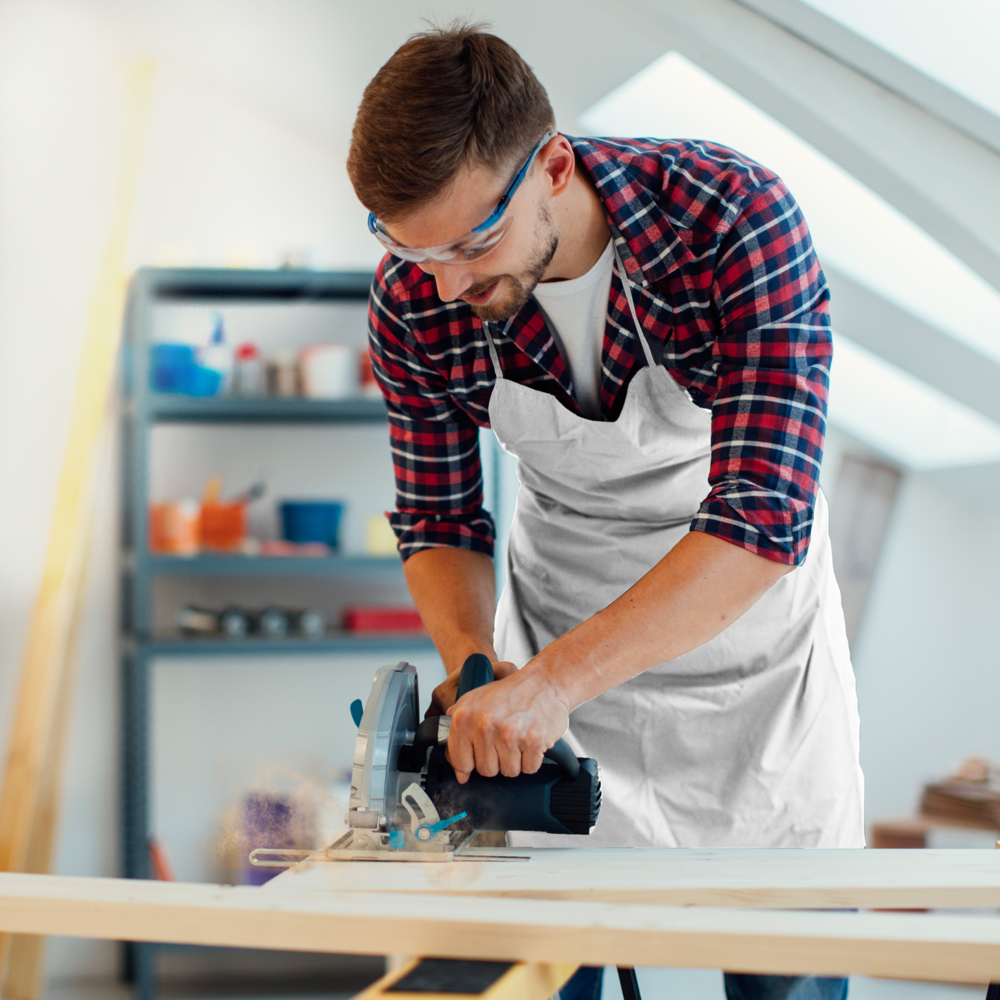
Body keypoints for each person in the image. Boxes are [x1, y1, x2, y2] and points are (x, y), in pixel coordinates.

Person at [347, 22, 863, 1000]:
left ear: (551, 165)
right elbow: (439, 517)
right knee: (541, 972)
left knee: (785, 974)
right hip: (558, 652)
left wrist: (550, 686)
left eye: (472, 244)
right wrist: (474, 665)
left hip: (751, 670)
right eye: (414, 253)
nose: (448, 287)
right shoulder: (414, 298)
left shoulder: (731, 220)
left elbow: (764, 514)